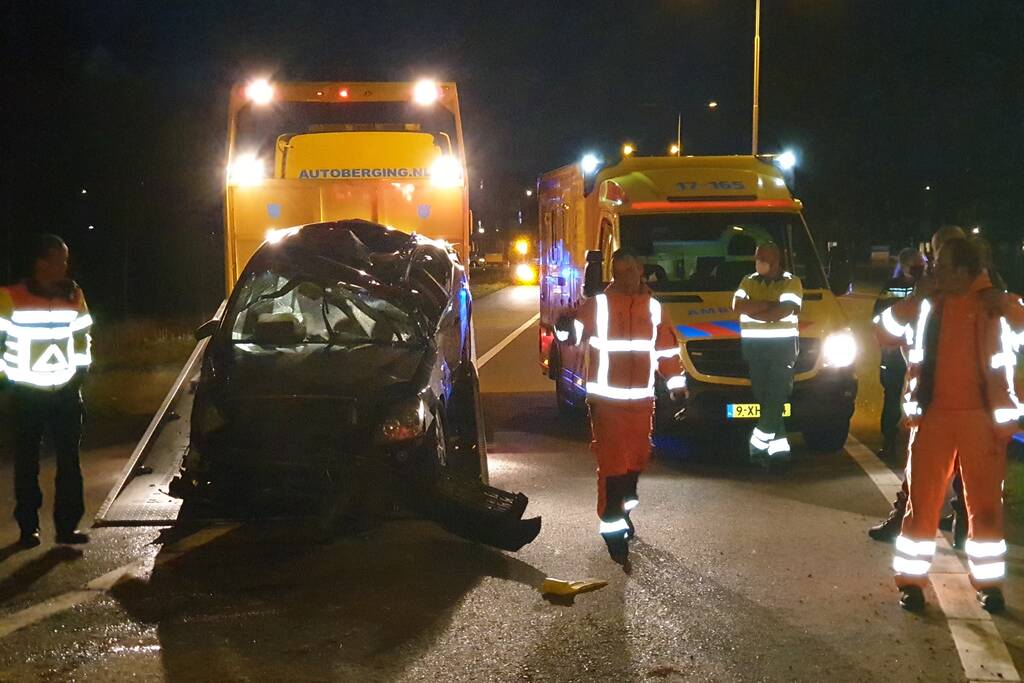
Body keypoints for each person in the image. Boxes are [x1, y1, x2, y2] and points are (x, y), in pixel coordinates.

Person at [878, 237, 1024, 612]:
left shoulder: (997, 303)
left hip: (983, 423)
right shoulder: (928, 303)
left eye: (941, 264)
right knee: (922, 505)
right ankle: (910, 582)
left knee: (986, 508)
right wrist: (915, 299)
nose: (934, 270)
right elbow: (884, 332)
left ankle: (989, 586)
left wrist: (1006, 302)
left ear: (963, 270)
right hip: (933, 420)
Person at [563, 248, 687, 561]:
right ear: (614, 273)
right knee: (613, 462)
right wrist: (565, 327)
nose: (627, 277)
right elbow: (573, 333)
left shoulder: (654, 308)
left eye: (632, 271)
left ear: (641, 271)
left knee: (638, 457)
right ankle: (612, 527)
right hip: (607, 400)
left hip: (642, 400)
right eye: (620, 271)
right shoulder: (598, 305)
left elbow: (667, 351)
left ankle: (625, 505)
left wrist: (676, 386)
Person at [868, 226, 968, 543]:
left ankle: (954, 520)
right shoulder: (931, 289)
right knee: (941, 466)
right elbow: (888, 330)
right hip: (938, 395)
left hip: (951, 398)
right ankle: (955, 521)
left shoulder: (970, 291)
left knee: (932, 465)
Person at [0, 234, 93, 548]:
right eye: (59, 259)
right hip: (27, 393)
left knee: (70, 463)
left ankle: (67, 528)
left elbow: (83, 338)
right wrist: (6, 382)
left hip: (65, 391)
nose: (64, 265)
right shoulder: (10, 296)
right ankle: (29, 528)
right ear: (41, 262)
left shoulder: (73, 295)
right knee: (27, 464)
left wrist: (80, 375)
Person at [731, 243, 803, 468]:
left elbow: (783, 311)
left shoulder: (792, 282)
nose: (758, 261)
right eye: (757, 257)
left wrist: (757, 309)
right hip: (754, 349)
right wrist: (766, 306)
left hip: (782, 349)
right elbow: (737, 305)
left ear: (776, 259)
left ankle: (757, 444)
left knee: (777, 396)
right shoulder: (748, 280)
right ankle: (779, 452)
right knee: (764, 397)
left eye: (763, 257)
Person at [873, 248, 927, 457]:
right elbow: (878, 317)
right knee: (892, 394)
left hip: (918, 351)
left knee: (920, 393)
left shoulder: (927, 288)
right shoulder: (891, 287)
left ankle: (916, 438)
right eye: (917, 264)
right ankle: (889, 439)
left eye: (923, 263)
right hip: (894, 351)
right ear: (904, 266)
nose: (921, 268)